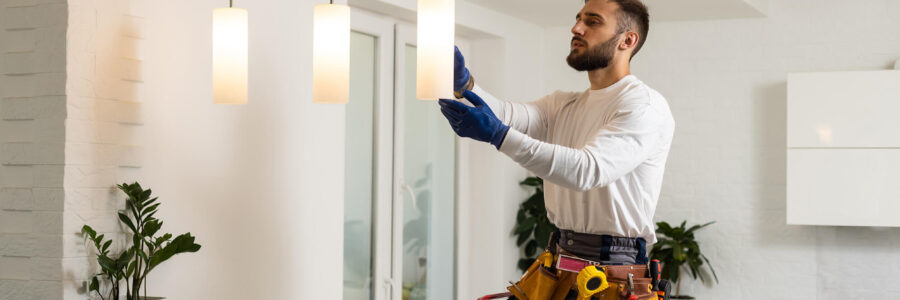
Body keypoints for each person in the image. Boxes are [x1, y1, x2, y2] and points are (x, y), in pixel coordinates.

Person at [439, 0, 675, 298]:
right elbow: (505, 115)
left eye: (593, 21)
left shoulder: (644, 106)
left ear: (627, 40)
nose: (576, 28)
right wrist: (464, 85)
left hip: (616, 275)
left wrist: (499, 136)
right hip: (559, 265)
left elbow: (587, 170)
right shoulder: (564, 104)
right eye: (578, 19)